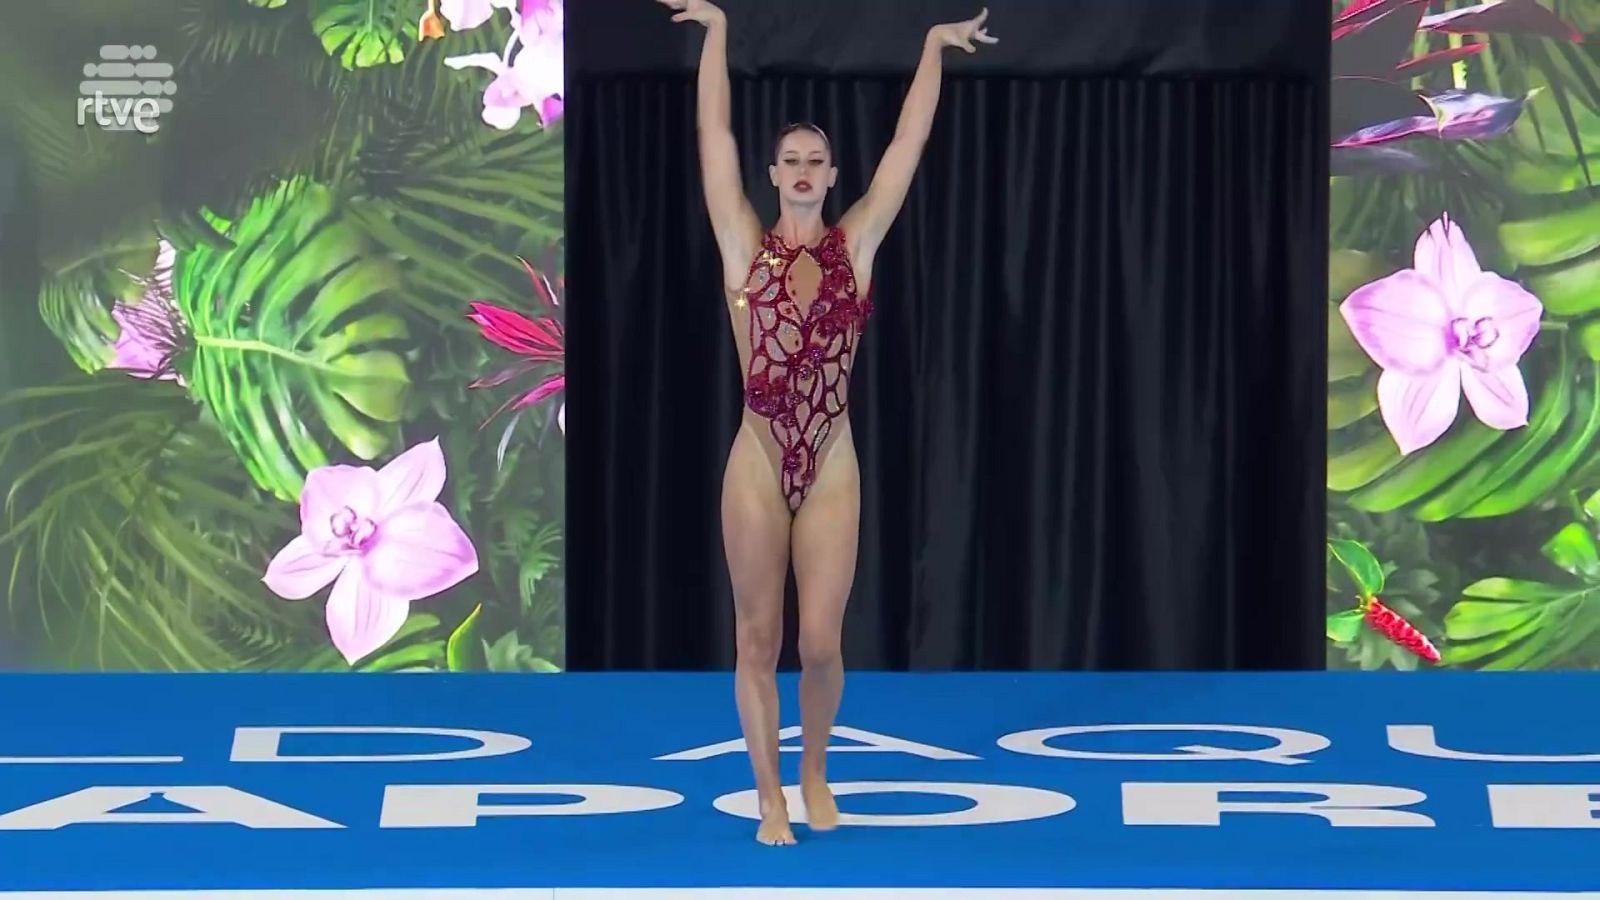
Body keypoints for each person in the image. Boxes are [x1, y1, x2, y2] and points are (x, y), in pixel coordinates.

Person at [656, 0, 997, 846]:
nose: (803, 169)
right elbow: (714, 142)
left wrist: (931, 49)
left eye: (816, 159)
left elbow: (906, 151)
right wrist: (719, 35)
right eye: (790, 160)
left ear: (832, 173)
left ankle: (814, 767)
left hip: (833, 457)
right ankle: (769, 792)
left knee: (816, 643)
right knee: (756, 633)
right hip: (759, 460)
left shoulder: (855, 245)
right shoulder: (743, 245)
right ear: (773, 175)